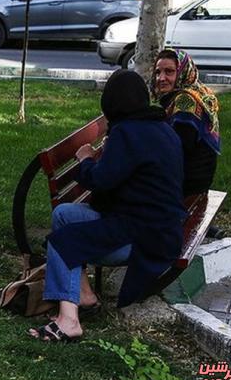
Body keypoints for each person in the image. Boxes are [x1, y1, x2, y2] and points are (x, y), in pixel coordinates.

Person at [28, 70, 186, 342]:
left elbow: (100, 181)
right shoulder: (159, 127)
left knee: (61, 240)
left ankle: (69, 322)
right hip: (160, 230)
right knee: (64, 215)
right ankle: (85, 297)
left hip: (142, 239)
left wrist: (86, 158)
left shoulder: (127, 133)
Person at [151, 48, 220, 197]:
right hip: (200, 177)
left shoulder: (185, 101)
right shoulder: (199, 90)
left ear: (183, 71)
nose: (161, 78)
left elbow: (179, 148)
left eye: (169, 71)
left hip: (188, 182)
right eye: (158, 72)